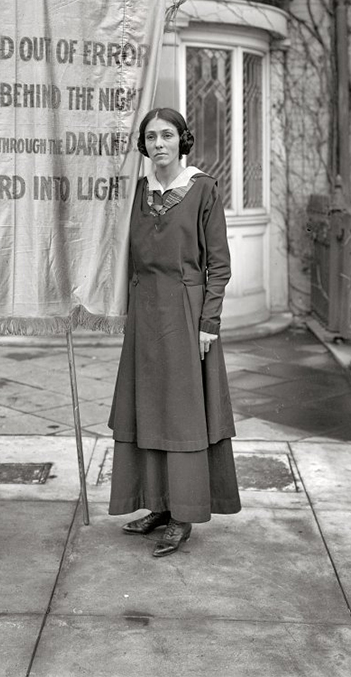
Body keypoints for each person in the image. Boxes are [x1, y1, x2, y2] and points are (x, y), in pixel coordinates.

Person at [108, 107, 241, 558]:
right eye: (150, 137)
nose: (159, 143)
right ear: (142, 145)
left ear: (181, 140)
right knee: (148, 408)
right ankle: (157, 506)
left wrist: (210, 323)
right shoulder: (138, 192)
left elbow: (218, 265)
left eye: (167, 135)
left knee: (182, 414)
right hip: (145, 315)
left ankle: (182, 514)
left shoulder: (202, 189)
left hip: (187, 315)